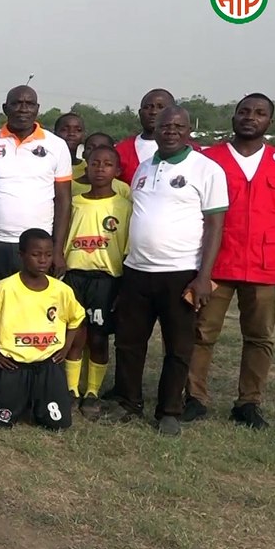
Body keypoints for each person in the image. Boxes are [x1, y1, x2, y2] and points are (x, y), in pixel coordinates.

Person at [104, 107, 227, 436]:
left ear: (188, 130)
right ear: (154, 129)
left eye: (178, 126)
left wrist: (204, 276)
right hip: (137, 269)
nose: (170, 131)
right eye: (164, 126)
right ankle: (128, 401)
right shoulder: (144, 167)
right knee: (129, 342)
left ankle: (169, 410)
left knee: (178, 346)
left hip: (181, 272)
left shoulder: (206, 169)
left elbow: (215, 225)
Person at [188, 94, 275, 429]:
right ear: (233, 117)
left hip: (264, 263)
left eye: (259, 113)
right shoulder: (210, 158)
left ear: (270, 121)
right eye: (243, 111)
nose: (250, 117)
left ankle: (248, 403)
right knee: (202, 332)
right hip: (217, 261)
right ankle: (195, 397)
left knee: (259, 336)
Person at [0, 228, 84, 430]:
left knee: (59, 424)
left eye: (48, 255)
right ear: (21, 255)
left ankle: (37, 402)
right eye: (36, 254)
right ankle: (18, 399)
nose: (43, 260)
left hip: (48, 365)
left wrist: (66, 347)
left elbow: (76, 318)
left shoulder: (61, 291)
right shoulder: (3, 289)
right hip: (14, 367)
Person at [0, 85, 72, 286]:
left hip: (38, 246)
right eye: (16, 103)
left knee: (31, 309)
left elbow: (64, 200)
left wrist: (57, 250)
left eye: (29, 104)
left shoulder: (57, 146)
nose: (23, 109)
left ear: (37, 109)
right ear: (5, 108)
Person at [61, 145, 130, 419]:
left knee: (99, 338)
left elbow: (127, 247)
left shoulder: (123, 206)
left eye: (107, 164)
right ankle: (70, 389)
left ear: (117, 170)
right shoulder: (74, 201)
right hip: (74, 276)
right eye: (95, 164)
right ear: (85, 167)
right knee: (75, 334)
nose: (100, 169)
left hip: (106, 278)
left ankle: (92, 392)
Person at [114, 89, 176, 183]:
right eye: (148, 107)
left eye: (160, 107)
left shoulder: (190, 151)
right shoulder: (121, 151)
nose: (153, 112)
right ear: (140, 113)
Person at [54, 113, 86, 181]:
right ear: (55, 133)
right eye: (65, 129)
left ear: (84, 135)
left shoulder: (88, 168)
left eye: (78, 130)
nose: (71, 133)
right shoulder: (46, 164)